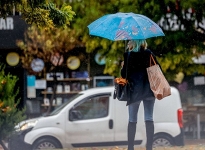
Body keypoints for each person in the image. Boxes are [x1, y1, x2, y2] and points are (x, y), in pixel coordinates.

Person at [121, 40, 160, 150]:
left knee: (132, 120)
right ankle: (149, 147)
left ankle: (130, 147)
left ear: (133, 43)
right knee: (149, 118)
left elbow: (125, 75)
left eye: (129, 41)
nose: (128, 43)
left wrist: (123, 67)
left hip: (134, 91)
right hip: (149, 90)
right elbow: (158, 69)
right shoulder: (149, 54)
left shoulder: (128, 55)